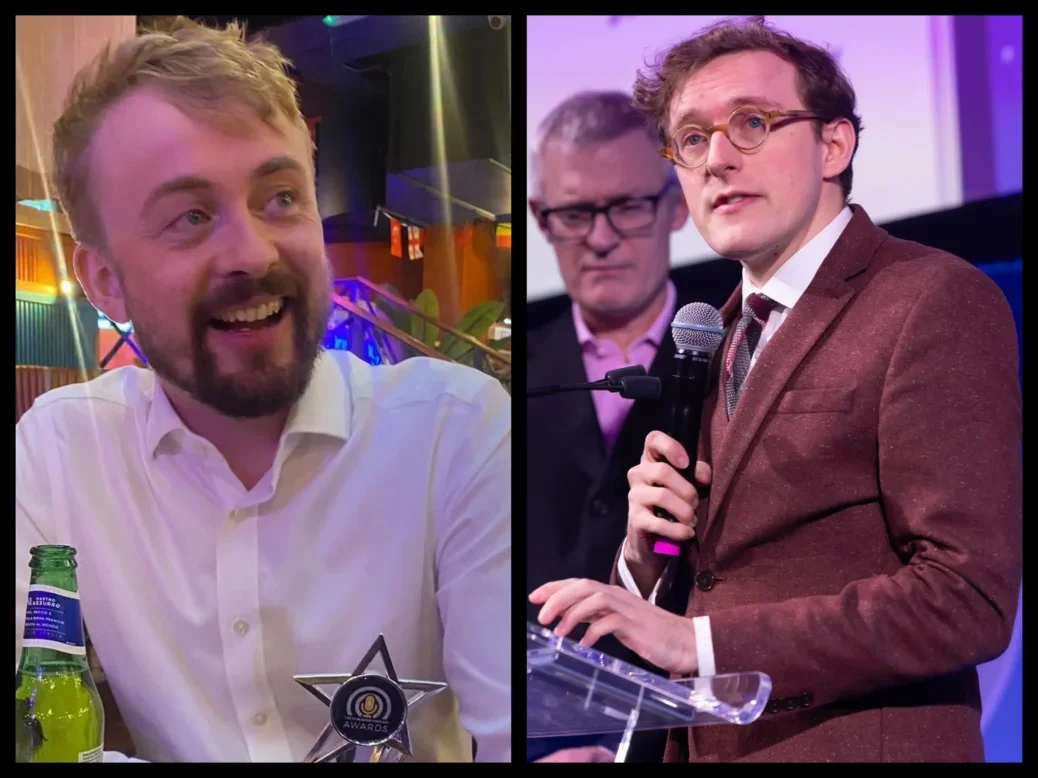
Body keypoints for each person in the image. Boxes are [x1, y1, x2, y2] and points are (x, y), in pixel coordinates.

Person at [16, 17, 510, 763]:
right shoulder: (60, 451)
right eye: (189, 216)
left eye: (280, 197)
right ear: (105, 281)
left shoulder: (455, 433)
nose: (251, 251)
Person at [530, 16, 1021, 763]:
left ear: (835, 144)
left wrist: (697, 641)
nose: (717, 159)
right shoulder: (716, 335)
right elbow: (722, 586)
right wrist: (644, 557)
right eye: (691, 139)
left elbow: (968, 599)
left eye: (751, 124)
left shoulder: (930, 300)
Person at [525, 91, 691, 762]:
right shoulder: (505, 383)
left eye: (626, 206)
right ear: (541, 218)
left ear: (676, 203)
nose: (599, 237)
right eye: (573, 213)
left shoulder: (739, 359)